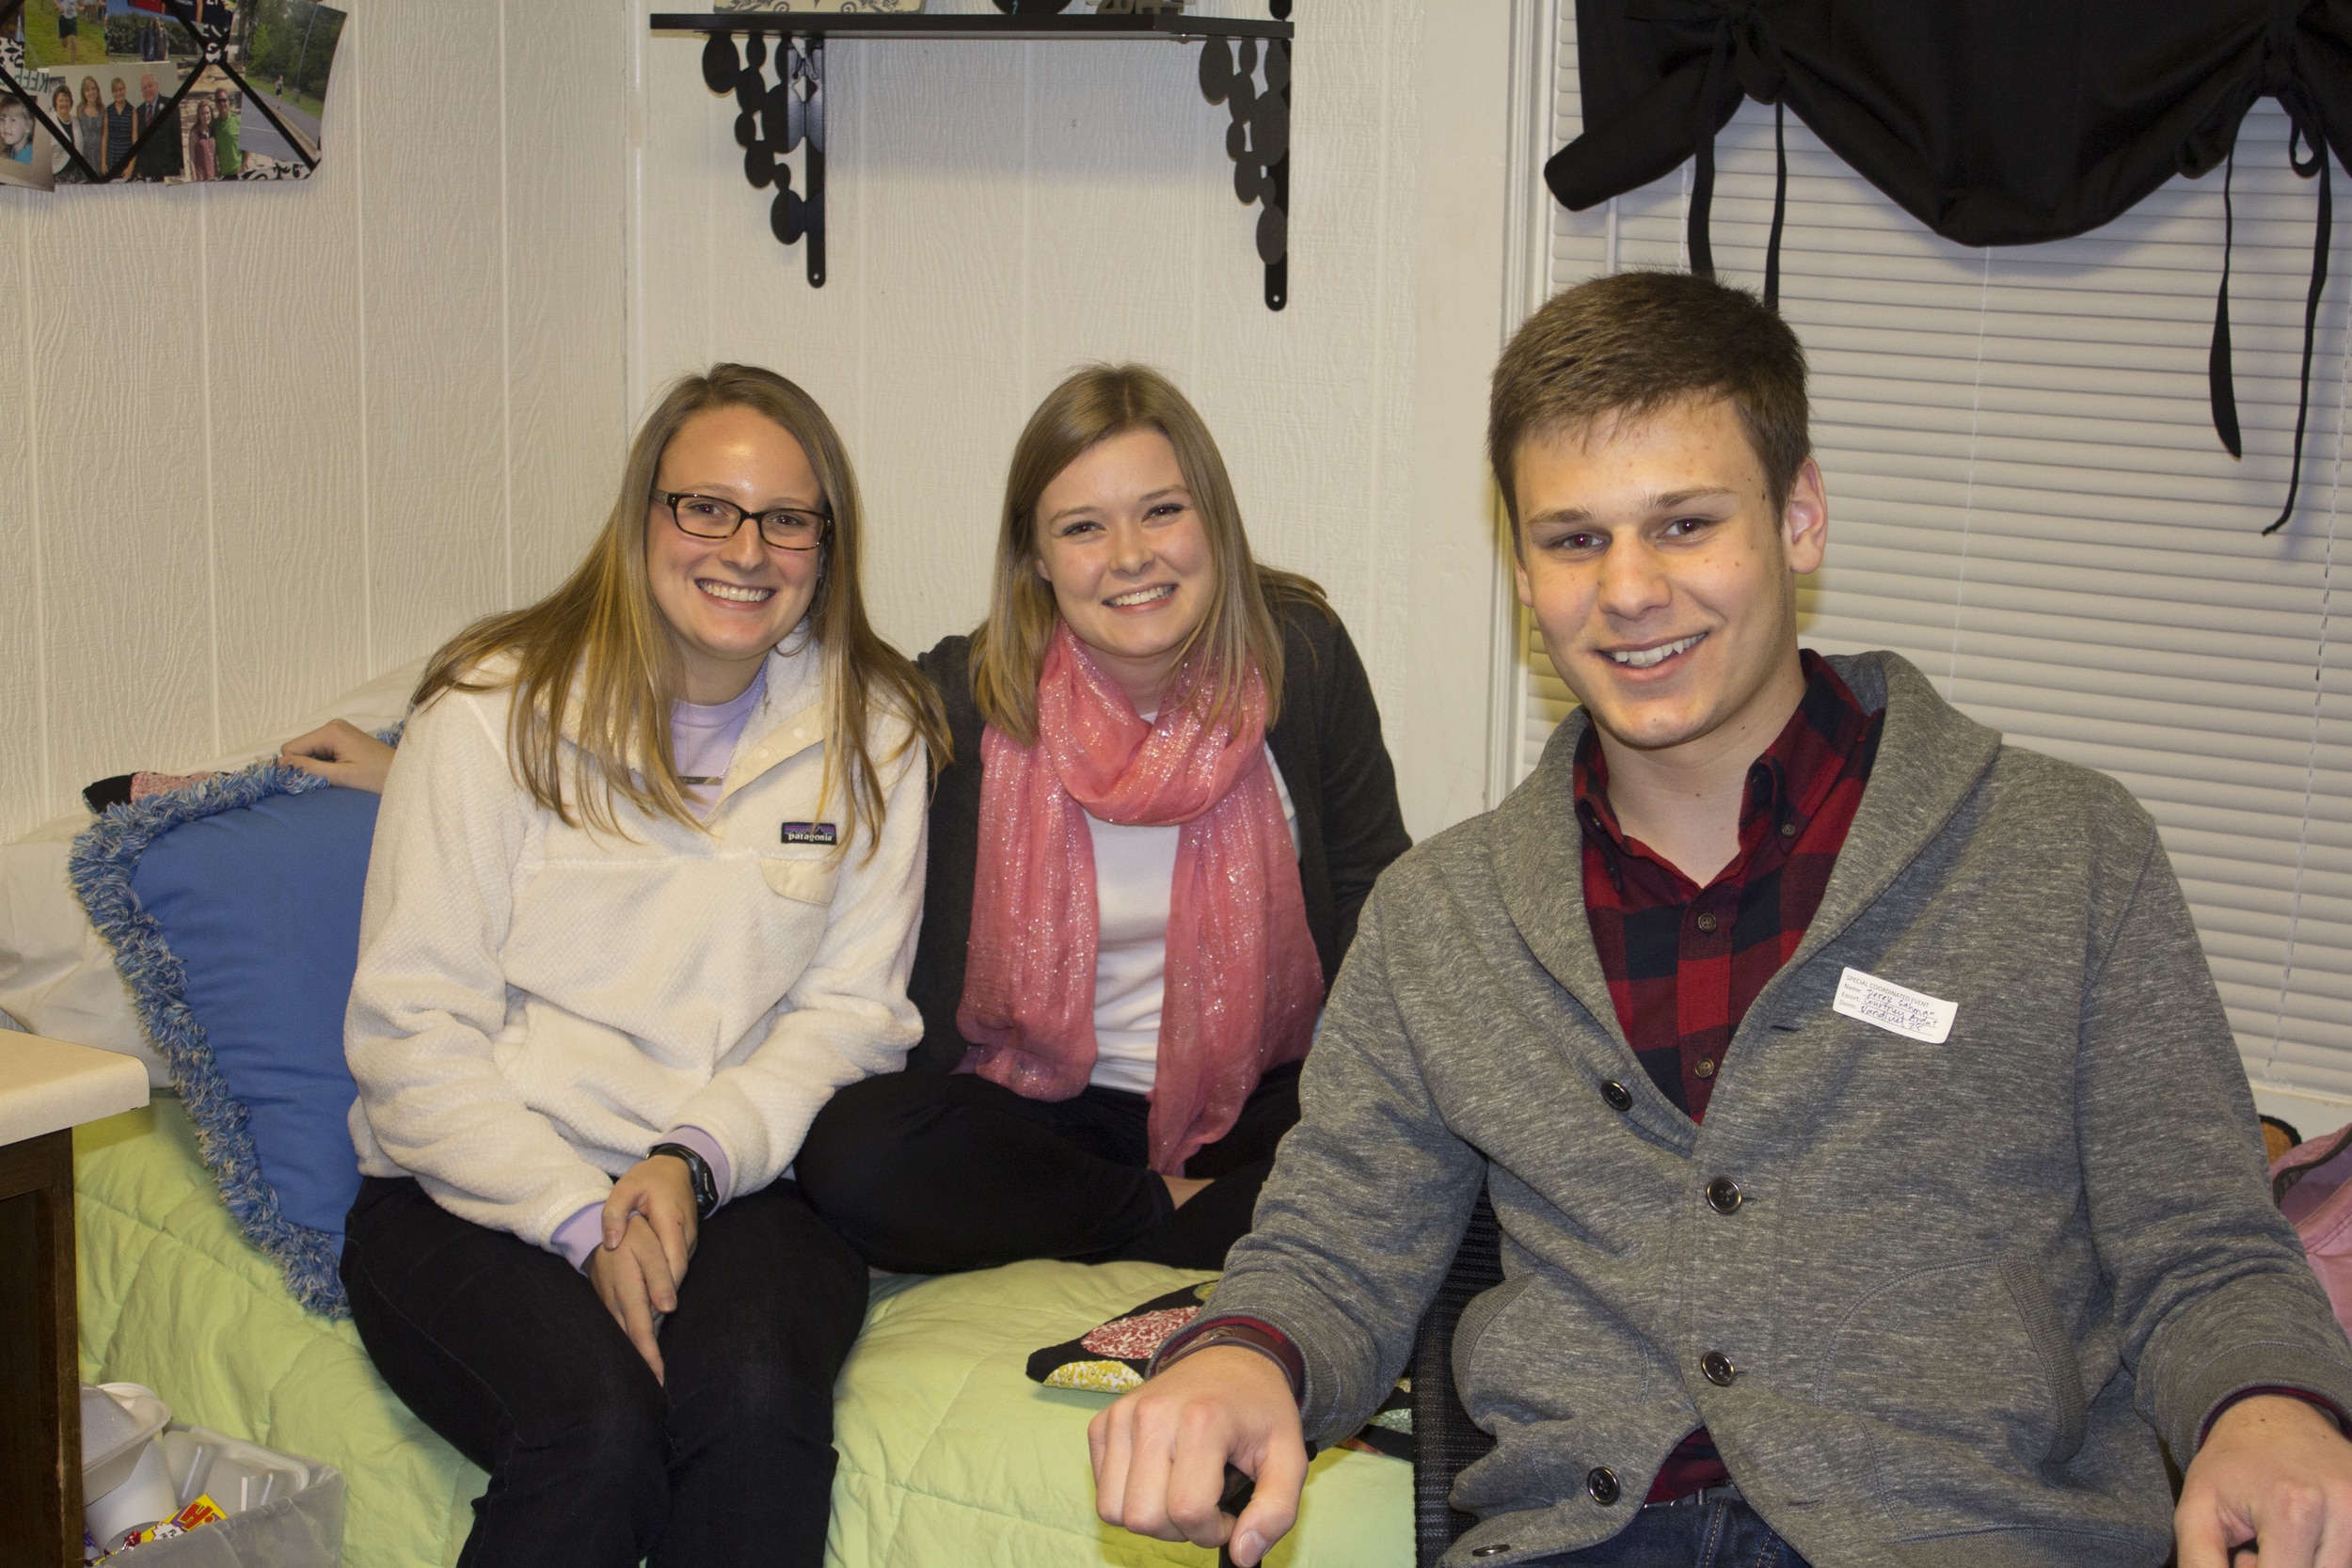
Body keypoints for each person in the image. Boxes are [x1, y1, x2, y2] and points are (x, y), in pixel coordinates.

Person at [1088, 272, 2352, 1568]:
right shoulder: (1441, 921)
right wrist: (1246, 1350)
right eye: (1575, 539)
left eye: (1685, 524)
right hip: (1587, 1536)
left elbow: (2200, 1240)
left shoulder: (2066, 851)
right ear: (1523, 568)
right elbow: (1337, 1237)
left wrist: (2270, 1409)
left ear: (1799, 517)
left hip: (1964, 1522)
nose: (1630, 589)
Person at [327, 364, 946, 1568]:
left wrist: (690, 1161)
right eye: (704, 507)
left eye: (787, 519)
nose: (746, 549)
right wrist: (578, 1216)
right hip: (477, 1188)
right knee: (596, 1434)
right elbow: (411, 1035)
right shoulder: (487, 714)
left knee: (756, 1410)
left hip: (743, 1181)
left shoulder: (876, 731)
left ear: (826, 545)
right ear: (643, 516)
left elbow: (851, 1016)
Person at [790, 364, 1409, 1274]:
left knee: (1420, 1159)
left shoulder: (1301, 657)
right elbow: (803, 707)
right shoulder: (964, 696)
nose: (1129, 555)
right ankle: (1184, 1218)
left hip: (1260, 1100)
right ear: (1035, 557)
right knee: (853, 1154)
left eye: (1162, 510)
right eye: (1083, 527)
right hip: (1044, 1111)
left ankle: (1132, 1222)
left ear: (1215, 521)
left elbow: (1373, 892)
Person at [133, 72, 180, 182]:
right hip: (147, 172)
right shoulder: (138, 112)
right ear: (141, 91)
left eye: (150, 85)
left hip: (168, 171)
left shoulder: (170, 105)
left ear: (156, 85)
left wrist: (177, 165)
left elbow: (177, 136)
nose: (147, 90)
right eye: (144, 88)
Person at [75, 76, 105, 175]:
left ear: (97, 90)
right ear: (84, 93)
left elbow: (105, 135)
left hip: (100, 157)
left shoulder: (102, 109)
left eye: (93, 88)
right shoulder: (80, 109)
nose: (91, 92)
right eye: (87, 90)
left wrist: (103, 162)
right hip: (85, 157)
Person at [210, 87, 238, 177]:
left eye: (224, 100)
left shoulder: (238, 121)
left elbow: (247, 148)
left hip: (239, 172)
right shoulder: (213, 125)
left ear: (228, 102)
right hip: (223, 174)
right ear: (216, 104)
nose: (222, 103)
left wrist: (243, 167)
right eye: (219, 101)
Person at [188, 98, 214, 180]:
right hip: (201, 176)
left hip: (214, 174)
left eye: (207, 113)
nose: (205, 116)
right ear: (199, 116)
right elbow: (191, 159)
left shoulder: (212, 129)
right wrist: (194, 179)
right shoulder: (194, 132)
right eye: (202, 114)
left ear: (211, 113)